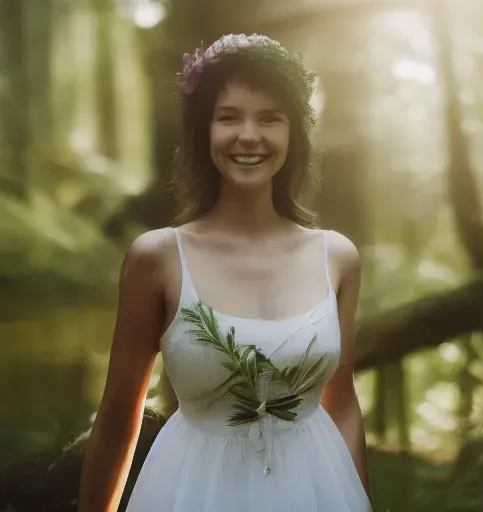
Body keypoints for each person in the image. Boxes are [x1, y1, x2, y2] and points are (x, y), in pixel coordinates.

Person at [78, 33, 373, 512]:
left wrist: (359, 499)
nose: (249, 135)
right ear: (203, 131)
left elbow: (342, 403)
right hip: (192, 490)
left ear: (293, 132)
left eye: (270, 118)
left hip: (316, 491)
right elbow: (117, 418)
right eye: (229, 117)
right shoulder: (157, 258)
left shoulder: (336, 258)